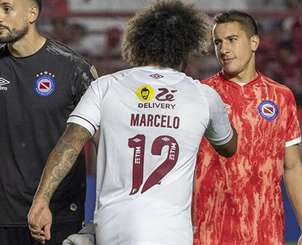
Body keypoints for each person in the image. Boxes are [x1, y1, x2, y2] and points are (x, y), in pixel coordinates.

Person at [27, 1, 237, 244]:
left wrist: (41, 200)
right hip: (173, 232)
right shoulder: (204, 96)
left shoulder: (105, 86)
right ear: (186, 46)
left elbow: (70, 143)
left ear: (138, 42)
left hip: (114, 227)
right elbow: (228, 146)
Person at [193, 10, 302, 245]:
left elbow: (292, 166)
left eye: (232, 40)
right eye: (218, 42)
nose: (224, 49)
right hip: (208, 232)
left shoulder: (281, 97)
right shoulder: (201, 94)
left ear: (254, 42)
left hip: (266, 232)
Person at [0, 0, 97, 244]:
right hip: (4, 214)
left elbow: (102, 139)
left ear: (32, 13)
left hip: (57, 215)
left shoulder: (73, 67)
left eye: (6, 8)